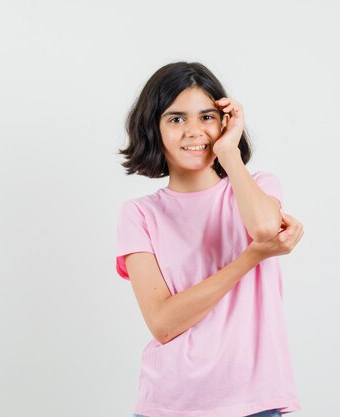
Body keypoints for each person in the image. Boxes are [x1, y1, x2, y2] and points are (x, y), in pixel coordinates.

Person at [115, 61, 305, 417]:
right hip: (171, 404)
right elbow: (163, 323)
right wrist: (249, 258)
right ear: (153, 129)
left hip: (256, 401)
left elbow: (265, 229)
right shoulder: (139, 214)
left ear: (224, 122)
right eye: (176, 119)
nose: (193, 131)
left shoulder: (258, 186)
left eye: (206, 117)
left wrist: (229, 153)